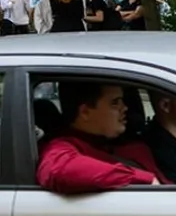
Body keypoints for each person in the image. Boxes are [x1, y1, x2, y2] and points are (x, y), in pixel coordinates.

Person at [37, 82, 169, 194]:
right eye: (115, 103)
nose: (125, 108)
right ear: (85, 112)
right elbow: (58, 170)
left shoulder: (132, 145)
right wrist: (142, 178)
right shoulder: (63, 146)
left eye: (123, 101)